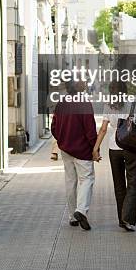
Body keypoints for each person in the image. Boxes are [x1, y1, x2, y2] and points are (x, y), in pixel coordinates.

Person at [93, 81, 136, 231]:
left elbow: (103, 129)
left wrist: (95, 149)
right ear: (125, 89)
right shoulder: (133, 103)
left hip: (114, 148)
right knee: (132, 183)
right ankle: (127, 218)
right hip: (132, 148)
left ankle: (121, 219)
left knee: (119, 185)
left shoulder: (108, 105)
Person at [51, 80, 97, 230]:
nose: (84, 82)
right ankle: (81, 210)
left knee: (70, 181)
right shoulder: (84, 103)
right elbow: (90, 129)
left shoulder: (61, 104)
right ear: (78, 86)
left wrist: (62, 140)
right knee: (87, 179)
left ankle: (72, 217)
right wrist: (94, 148)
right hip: (83, 149)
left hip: (66, 149)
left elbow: (54, 127)